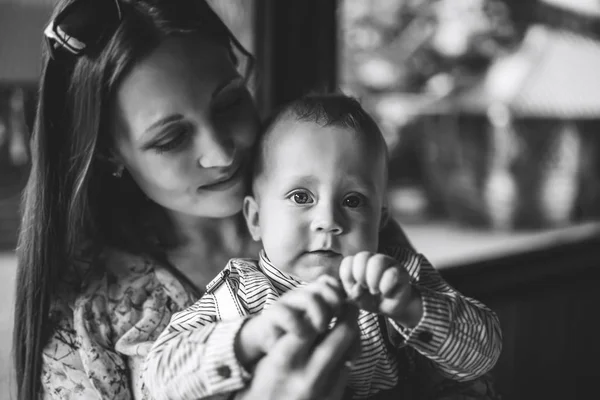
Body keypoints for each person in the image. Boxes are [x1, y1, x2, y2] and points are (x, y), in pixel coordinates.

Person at [13, 0, 500, 399]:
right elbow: (165, 372)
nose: (221, 152)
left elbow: (473, 375)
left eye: (228, 103)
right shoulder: (101, 308)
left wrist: (415, 311)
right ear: (108, 154)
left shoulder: (360, 239)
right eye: (170, 139)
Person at [142, 94, 502, 400]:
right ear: (255, 218)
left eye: (354, 200)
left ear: (380, 222)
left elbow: (483, 355)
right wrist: (250, 337)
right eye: (301, 196)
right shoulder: (239, 296)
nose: (328, 220)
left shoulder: (397, 278)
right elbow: (154, 380)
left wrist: (410, 307)